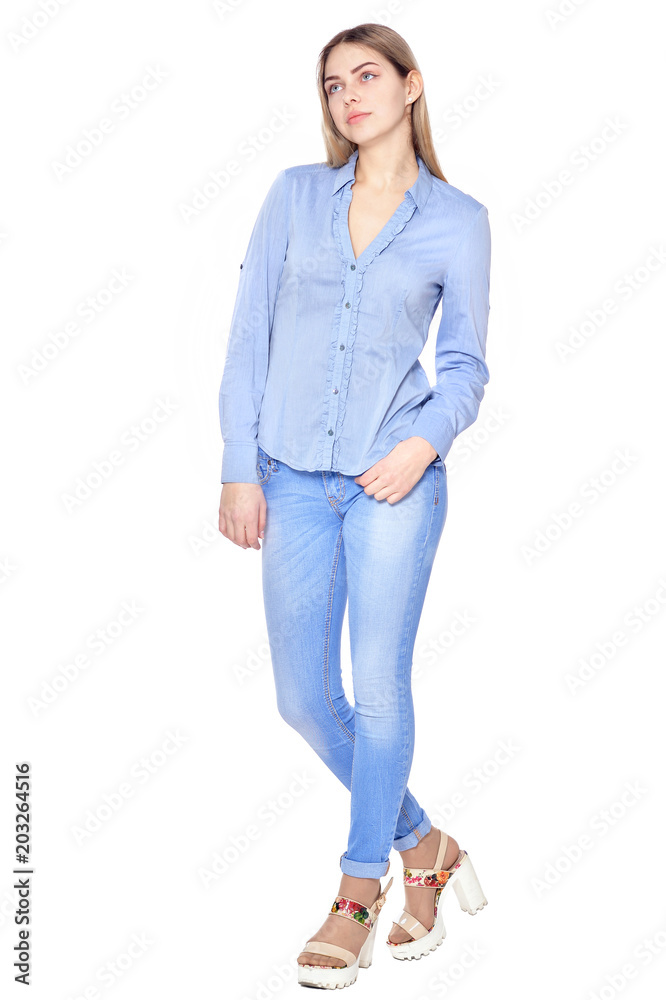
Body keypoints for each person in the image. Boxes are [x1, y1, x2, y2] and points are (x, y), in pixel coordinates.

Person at [218, 22, 490, 990]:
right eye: (333, 84)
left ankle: (359, 886)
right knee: (303, 698)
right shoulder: (295, 196)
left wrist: (423, 444)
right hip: (289, 477)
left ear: (411, 86)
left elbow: (465, 365)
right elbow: (249, 332)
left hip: (394, 477)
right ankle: (427, 843)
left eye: (367, 75)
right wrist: (238, 465)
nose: (349, 95)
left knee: (377, 687)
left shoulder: (459, 221)